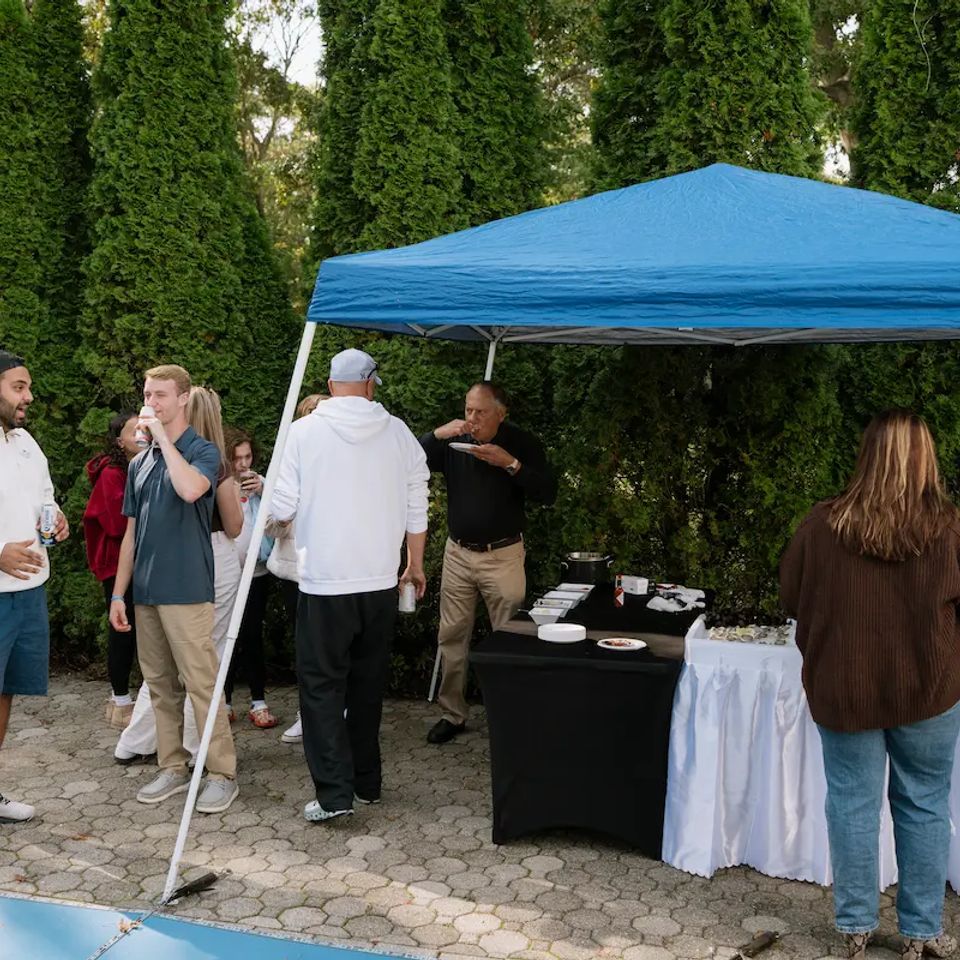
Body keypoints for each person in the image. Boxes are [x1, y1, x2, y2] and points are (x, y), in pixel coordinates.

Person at [780, 410, 960, 960]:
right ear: (926, 458)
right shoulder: (950, 527)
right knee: (925, 805)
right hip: (929, 687)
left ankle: (856, 929)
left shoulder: (822, 524)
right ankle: (921, 934)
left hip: (846, 684)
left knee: (853, 804)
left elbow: (793, 597)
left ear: (867, 456)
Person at [271, 349, 428, 822]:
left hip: (323, 582)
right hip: (380, 582)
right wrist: (413, 565)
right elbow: (417, 503)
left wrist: (260, 516)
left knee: (321, 688)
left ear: (331, 383)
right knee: (366, 684)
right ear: (371, 384)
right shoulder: (398, 433)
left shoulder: (302, 432)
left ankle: (334, 795)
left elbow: (281, 507)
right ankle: (367, 782)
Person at [109, 365, 239, 814]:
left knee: (202, 684)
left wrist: (163, 440)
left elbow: (190, 491)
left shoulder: (203, 452)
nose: (152, 403)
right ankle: (172, 766)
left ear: (184, 398)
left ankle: (222, 774)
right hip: (145, 591)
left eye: (161, 395)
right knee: (160, 685)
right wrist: (118, 594)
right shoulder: (138, 464)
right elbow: (130, 534)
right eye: (147, 394)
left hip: (187, 589)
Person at [422, 382, 556, 744]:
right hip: (458, 553)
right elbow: (409, 460)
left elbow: (547, 492)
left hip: (503, 555)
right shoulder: (453, 442)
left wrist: (510, 464)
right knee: (451, 636)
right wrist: (438, 434)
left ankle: (510, 715)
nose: (472, 418)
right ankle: (453, 714)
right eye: (468, 410)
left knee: (509, 638)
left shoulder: (522, 443)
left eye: (480, 412)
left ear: (501, 413)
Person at [0, 349, 68, 823]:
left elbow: (45, 497)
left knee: (5, 692)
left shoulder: (26, 442)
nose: (28, 396)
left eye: (27, 387)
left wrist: (57, 518)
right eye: (18, 387)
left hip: (29, 592)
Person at [265, 393, 326, 745]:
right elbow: (270, 524)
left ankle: (339, 709)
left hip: (332, 569)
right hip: (295, 570)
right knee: (306, 646)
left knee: (334, 645)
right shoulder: (289, 460)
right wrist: (288, 517)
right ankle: (308, 713)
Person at [83, 411, 141, 729]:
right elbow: (119, 522)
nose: (142, 436)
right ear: (120, 441)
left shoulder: (145, 465)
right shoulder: (111, 474)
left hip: (141, 560)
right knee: (122, 629)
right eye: (135, 431)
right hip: (116, 561)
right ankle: (120, 700)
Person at [223, 427, 278, 729]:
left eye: (248, 457)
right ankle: (225, 700)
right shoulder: (219, 482)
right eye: (237, 458)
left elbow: (280, 513)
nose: (243, 464)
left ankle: (258, 701)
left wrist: (264, 489)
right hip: (226, 573)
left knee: (252, 636)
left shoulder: (259, 483)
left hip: (256, 571)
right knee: (223, 637)